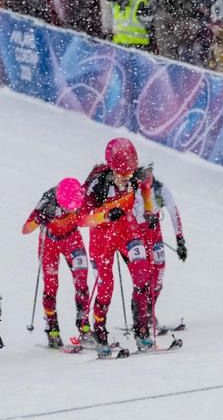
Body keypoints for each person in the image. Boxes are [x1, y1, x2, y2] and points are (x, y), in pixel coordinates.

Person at [82, 138, 159, 354]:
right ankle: (100, 334)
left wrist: (149, 211)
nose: (126, 178)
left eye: (130, 173)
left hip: (127, 231)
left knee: (143, 275)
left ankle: (141, 331)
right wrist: (105, 216)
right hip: (102, 239)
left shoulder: (135, 176)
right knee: (106, 287)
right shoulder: (97, 185)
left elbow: (146, 188)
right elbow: (81, 219)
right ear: (112, 168)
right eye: (121, 174)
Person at [22, 178, 93, 349]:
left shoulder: (80, 196)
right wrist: (40, 219)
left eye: (74, 208)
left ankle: (84, 327)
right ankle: (52, 330)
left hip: (72, 239)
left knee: (82, 281)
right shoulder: (47, 201)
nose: (71, 210)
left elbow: (85, 220)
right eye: (68, 207)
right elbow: (26, 229)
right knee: (51, 285)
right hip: (50, 242)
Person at [133, 175, 188, 334]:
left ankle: (149, 311)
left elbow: (173, 211)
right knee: (143, 275)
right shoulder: (131, 187)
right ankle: (140, 315)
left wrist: (180, 239)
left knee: (159, 272)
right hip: (137, 234)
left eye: (149, 171)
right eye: (143, 172)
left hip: (154, 234)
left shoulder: (159, 188)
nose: (147, 176)